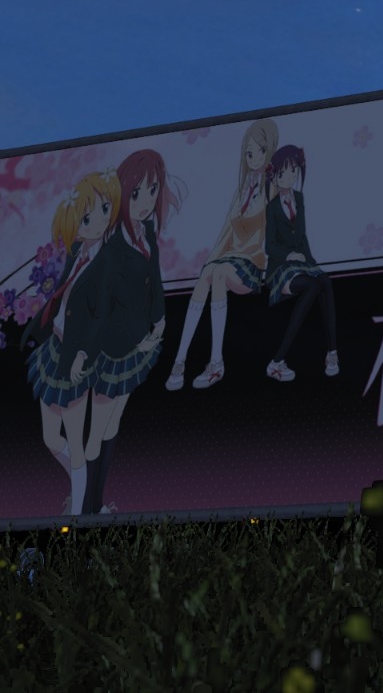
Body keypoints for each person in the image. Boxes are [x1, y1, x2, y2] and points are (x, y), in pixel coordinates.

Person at [80, 150, 179, 514]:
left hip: (139, 341)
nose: (145, 201)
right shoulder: (112, 248)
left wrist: (160, 320)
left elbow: (155, 281)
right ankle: (86, 509)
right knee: (98, 428)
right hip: (113, 348)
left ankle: (95, 505)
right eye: (136, 193)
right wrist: (136, 338)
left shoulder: (147, 232)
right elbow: (105, 308)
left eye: (153, 190)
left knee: (112, 425)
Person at [23, 171, 119, 515]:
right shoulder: (78, 250)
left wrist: (83, 355)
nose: (99, 221)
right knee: (52, 439)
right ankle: (84, 485)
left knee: (76, 445)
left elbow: (102, 317)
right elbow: (60, 296)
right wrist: (35, 328)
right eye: (87, 218)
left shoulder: (107, 261)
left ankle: (79, 515)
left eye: (104, 209)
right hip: (55, 352)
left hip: (78, 358)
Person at [167, 118, 277, 390]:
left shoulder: (270, 186)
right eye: (249, 153)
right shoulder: (243, 188)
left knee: (218, 274)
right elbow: (226, 229)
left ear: (269, 151)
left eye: (260, 151)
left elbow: (268, 229)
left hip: (253, 264)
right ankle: (179, 360)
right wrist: (209, 261)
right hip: (231, 259)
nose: (253, 158)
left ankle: (216, 363)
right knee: (209, 272)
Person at [261, 145, 338, 382]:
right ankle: (277, 361)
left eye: (293, 171)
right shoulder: (272, 207)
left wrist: (312, 264)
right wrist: (289, 256)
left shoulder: (300, 198)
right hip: (280, 267)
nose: (289, 177)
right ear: (274, 175)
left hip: (303, 263)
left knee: (324, 281)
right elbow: (269, 246)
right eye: (283, 172)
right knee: (312, 286)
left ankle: (332, 352)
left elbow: (302, 236)